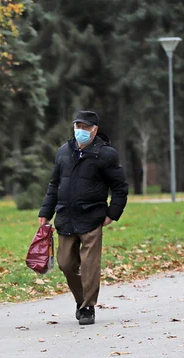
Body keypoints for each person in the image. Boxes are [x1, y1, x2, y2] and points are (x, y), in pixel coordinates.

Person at [38, 110, 128, 326]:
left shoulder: (106, 154)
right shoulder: (63, 152)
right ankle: (81, 301)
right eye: (78, 126)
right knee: (65, 264)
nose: (81, 131)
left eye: (85, 127)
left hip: (92, 217)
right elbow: (54, 184)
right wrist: (45, 212)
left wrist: (112, 214)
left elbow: (120, 187)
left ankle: (88, 306)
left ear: (94, 130)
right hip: (66, 217)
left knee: (89, 265)